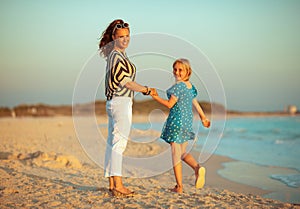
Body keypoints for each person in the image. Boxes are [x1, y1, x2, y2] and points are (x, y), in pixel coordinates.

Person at [99, 19, 152, 197]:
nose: (125, 39)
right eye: (121, 36)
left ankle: (112, 183)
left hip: (115, 102)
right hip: (120, 102)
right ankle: (118, 185)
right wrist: (145, 89)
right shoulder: (116, 55)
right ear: (114, 37)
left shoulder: (117, 54)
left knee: (112, 143)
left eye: (128, 36)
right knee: (118, 144)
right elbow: (125, 82)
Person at [150, 58, 210, 193]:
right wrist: (203, 117)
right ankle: (197, 168)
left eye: (180, 70)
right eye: (175, 69)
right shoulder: (190, 86)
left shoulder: (178, 87)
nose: (177, 72)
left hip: (176, 121)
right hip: (187, 122)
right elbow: (195, 102)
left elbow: (170, 104)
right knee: (182, 153)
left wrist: (155, 96)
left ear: (188, 71)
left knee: (176, 155)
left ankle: (179, 187)